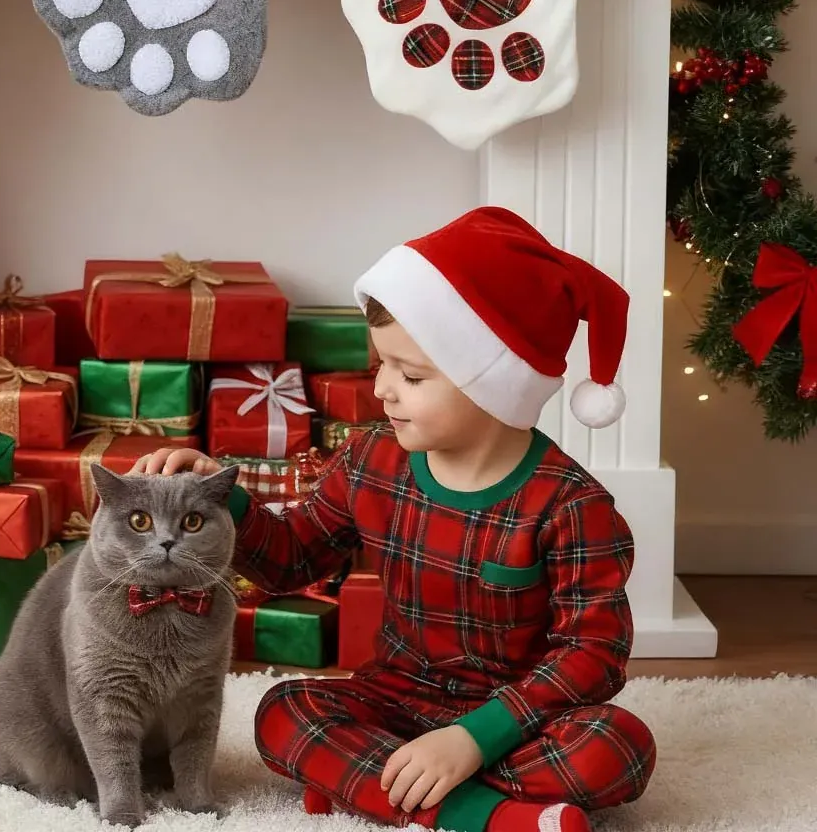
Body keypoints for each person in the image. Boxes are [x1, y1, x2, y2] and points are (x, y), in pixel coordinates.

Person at [131, 206, 656, 832]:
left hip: (514, 720)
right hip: (396, 700)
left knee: (616, 746)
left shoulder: (572, 506)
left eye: (410, 375)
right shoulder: (369, 460)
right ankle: (482, 816)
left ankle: (370, 785)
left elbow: (592, 655)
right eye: (380, 363)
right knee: (282, 711)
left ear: (490, 382)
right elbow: (290, 558)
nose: (382, 388)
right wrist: (219, 498)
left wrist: (472, 739)